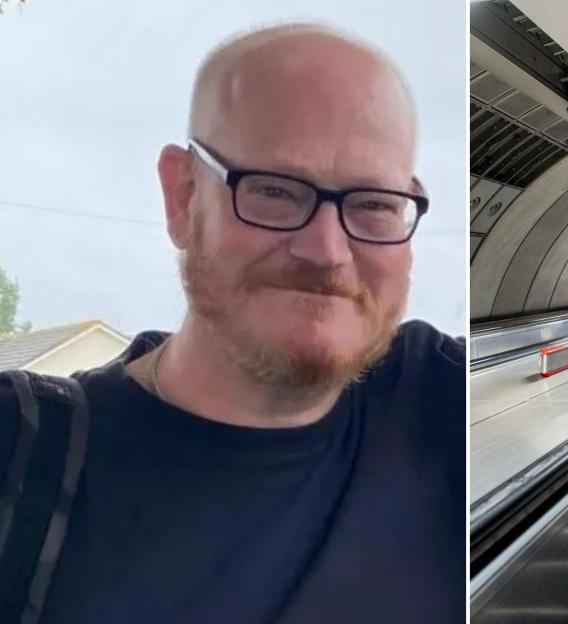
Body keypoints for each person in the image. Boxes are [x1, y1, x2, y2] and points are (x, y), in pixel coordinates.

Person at [0, 23, 465, 624]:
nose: (326, 251)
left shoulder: (446, 407)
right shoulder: (22, 456)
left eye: (373, 203)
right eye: (274, 191)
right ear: (183, 198)